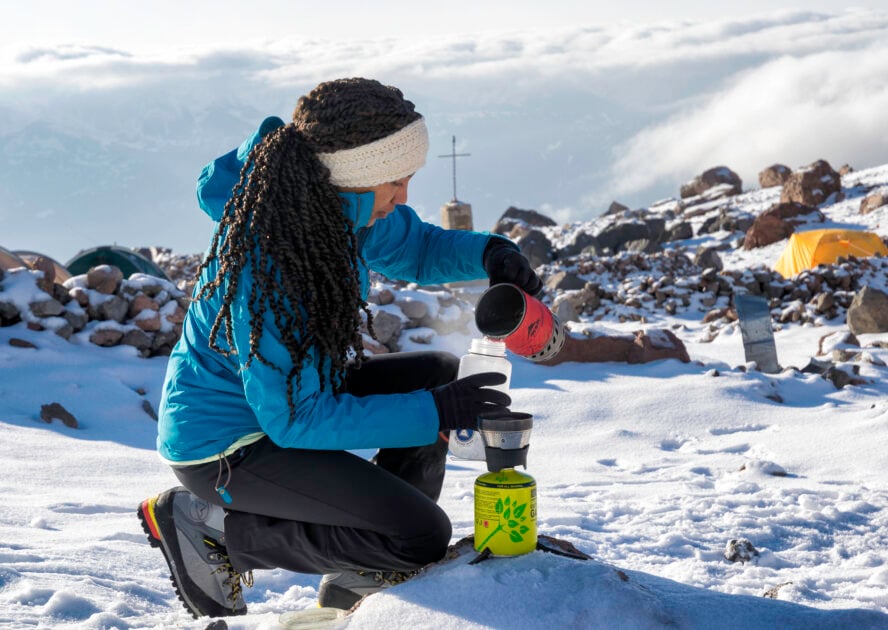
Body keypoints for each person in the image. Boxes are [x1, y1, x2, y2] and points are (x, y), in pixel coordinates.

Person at [137, 77, 543, 619]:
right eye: (395, 182)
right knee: (420, 536)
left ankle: (363, 571)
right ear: (353, 176)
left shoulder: (329, 207)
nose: (403, 197)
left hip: (289, 400)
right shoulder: (276, 259)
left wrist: (492, 254)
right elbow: (295, 420)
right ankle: (213, 527)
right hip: (229, 448)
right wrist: (437, 413)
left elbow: (416, 246)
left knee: (437, 374)